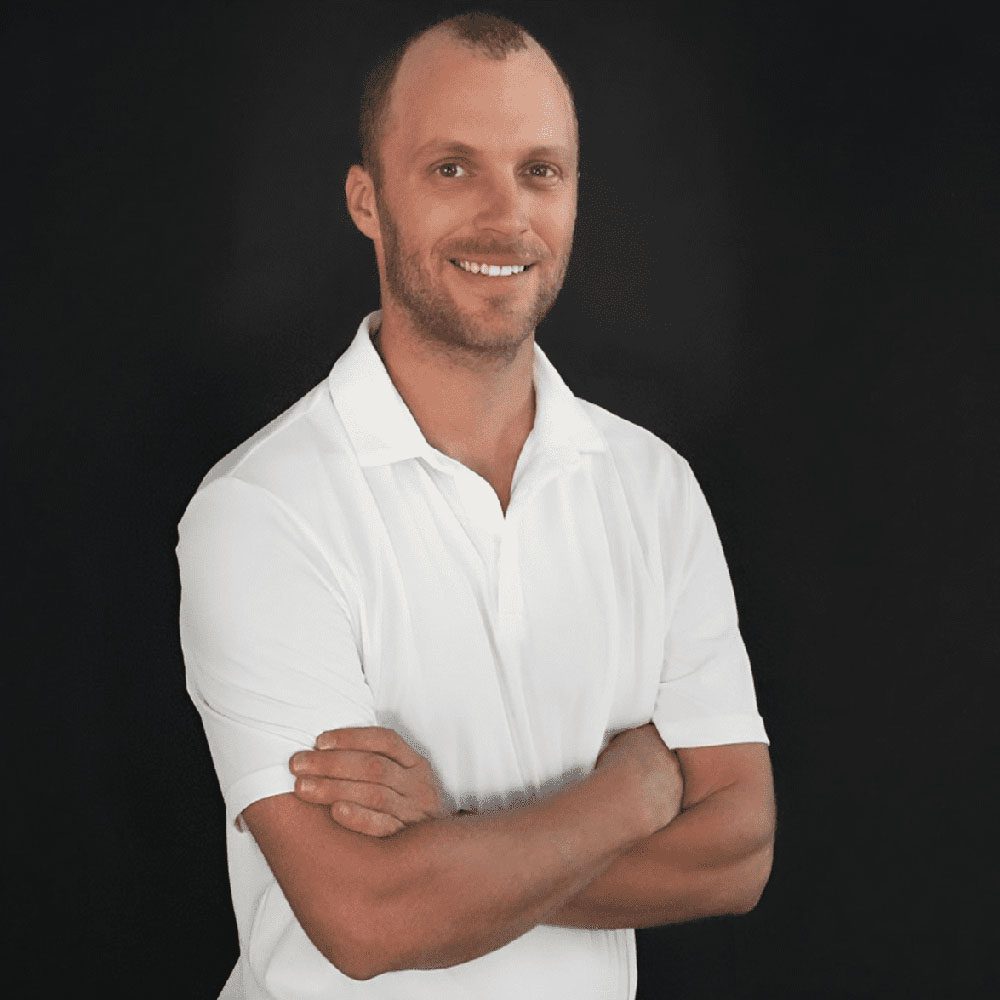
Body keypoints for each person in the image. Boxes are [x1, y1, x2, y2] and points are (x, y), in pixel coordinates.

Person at [176, 11, 775, 999]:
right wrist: (637, 790)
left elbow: (736, 853)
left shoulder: (653, 487)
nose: (506, 218)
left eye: (539, 171)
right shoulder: (263, 509)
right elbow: (367, 918)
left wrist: (448, 851)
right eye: (452, 168)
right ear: (367, 201)